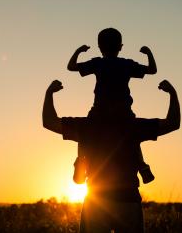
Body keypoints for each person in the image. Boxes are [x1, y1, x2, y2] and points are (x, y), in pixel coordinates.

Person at [42, 79, 180, 232]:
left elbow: (49, 122)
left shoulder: (86, 126)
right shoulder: (133, 125)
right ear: (126, 100)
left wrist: (49, 93)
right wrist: (172, 93)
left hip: (96, 202)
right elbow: (172, 123)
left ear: (98, 99)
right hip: (128, 200)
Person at [67, 28, 157, 184]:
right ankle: (141, 165)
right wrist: (148, 53)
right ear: (121, 46)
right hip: (123, 111)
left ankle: (81, 161)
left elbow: (71, 67)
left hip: (100, 111)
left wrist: (79, 51)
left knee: (83, 132)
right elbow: (152, 70)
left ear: (99, 46)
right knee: (132, 137)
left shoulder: (98, 63)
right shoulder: (126, 64)